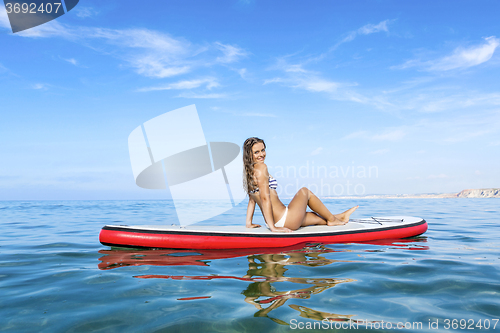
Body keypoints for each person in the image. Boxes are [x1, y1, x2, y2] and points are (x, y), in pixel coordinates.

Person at [243, 137, 358, 232]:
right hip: (284, 219)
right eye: (256, 152)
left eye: (263, 150)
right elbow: (264, 199)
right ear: (249, 154)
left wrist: (249, 223)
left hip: (278, 219)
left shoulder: (249, 172)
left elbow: (252, 200)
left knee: (314, 217)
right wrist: (273, 228)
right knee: (305, 191)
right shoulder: (262, 168)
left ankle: (339, 217)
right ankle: (333, 220)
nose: (261, 154)